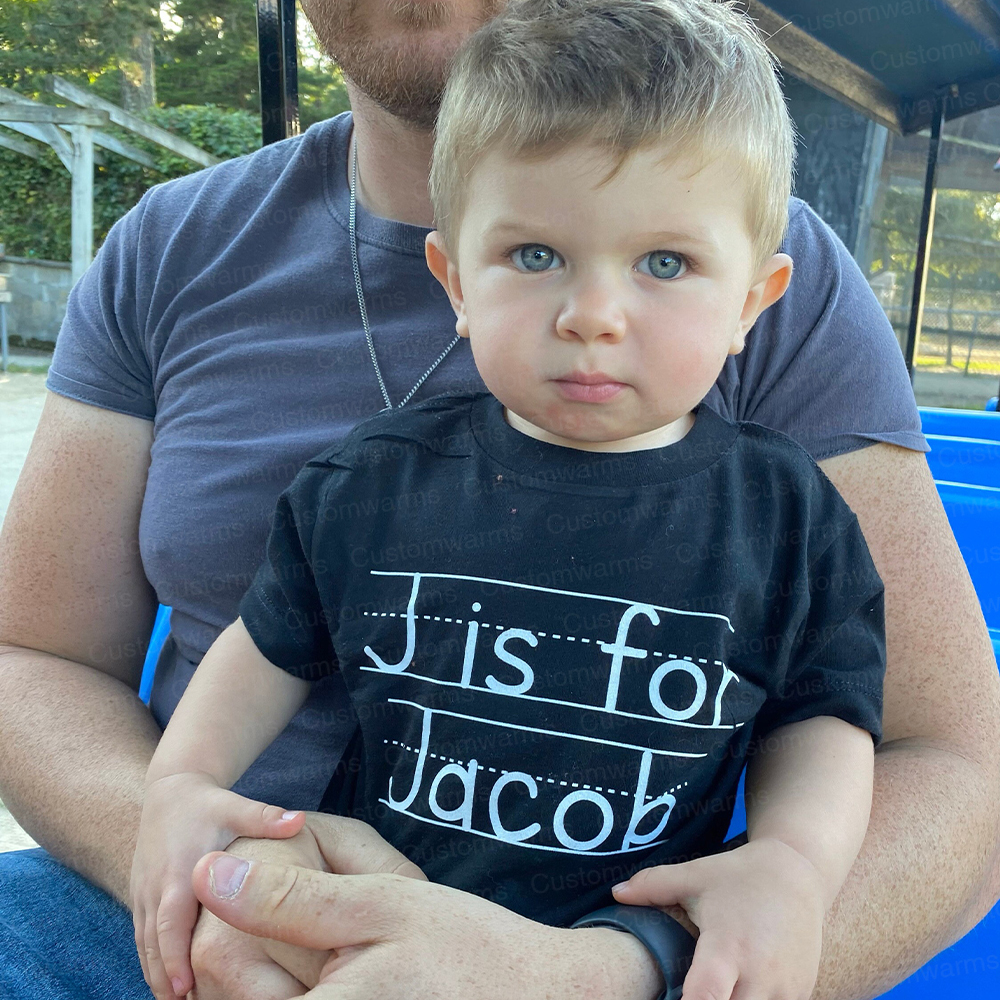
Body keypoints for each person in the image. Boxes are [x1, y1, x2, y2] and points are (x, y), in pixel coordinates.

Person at [0, 0, 996, 996]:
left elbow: (867, 722)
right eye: (533, 256)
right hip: (192, 898)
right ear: (454, 277)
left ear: (751, 300)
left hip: (621, 938)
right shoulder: (338, 442)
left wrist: (734, 900)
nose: (593, 316)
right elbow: (172, 650)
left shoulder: (784, 488)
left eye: (663, 264)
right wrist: (186, 832)